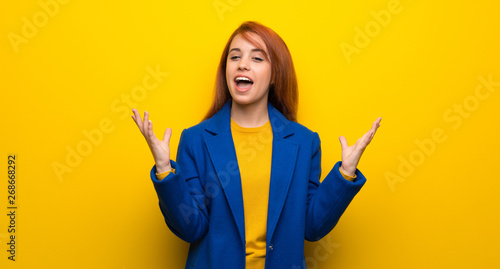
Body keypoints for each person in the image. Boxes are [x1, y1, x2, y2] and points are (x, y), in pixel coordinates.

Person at [131, 21, 381, 269]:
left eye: (257, 58)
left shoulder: (304, 142)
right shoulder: (195, 140)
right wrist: (165, 170)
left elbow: (311, 227)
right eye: (235, 56)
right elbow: (191, 228)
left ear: (275, 75)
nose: (242, 64)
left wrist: (345, 174)